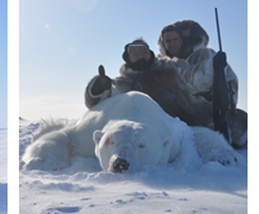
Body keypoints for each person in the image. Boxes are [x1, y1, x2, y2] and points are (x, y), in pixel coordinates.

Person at [84, 38, 246, 147]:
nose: (141, 55)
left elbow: (194, 78)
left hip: (201, 115)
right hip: (169, 130)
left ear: (150, 53)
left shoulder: (172, 66)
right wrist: (97, 89)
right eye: (135, 53)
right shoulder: (124, 83)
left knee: (241, 123)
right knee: (206, 143)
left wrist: (212, 65)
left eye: (144, 51)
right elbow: (106, 98)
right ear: (127, 58)